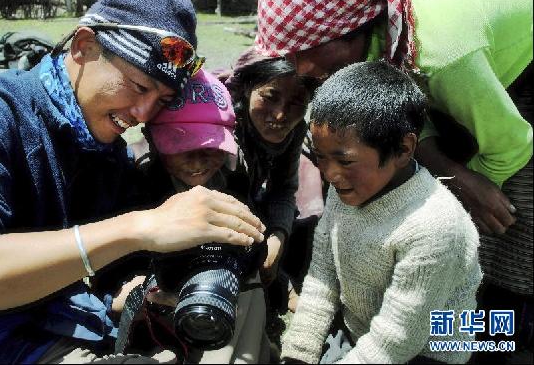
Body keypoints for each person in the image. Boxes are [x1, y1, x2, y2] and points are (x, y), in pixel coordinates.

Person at [0, 0, 265, 364]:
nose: (144, 114)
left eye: (162, 100)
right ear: (84, 46)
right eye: (140, 87)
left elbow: (108, 270)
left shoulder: (105, 152)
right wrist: (138, 228)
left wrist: (134, 290)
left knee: (245, 297)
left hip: (60, 324)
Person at [254, 0, 533, 351]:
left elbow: (514, 143)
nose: (300, 70)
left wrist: (461, 193)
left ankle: (504, 335)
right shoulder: (388, 30)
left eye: (306, 50)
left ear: (351, 26)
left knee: (505, 234)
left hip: (517, 56)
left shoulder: (443, 51)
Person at [281, 60, 482, 364]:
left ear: (403, 149)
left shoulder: (434, 229)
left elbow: (394, 342)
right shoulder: (347, 187)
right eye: (320, 157)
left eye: (345, 161)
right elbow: (323, 276)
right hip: (360, 335)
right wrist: (297, 355)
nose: (330, 174)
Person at [117, 68, 271, 363]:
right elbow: (118, 275)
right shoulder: (136, 185)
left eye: (211, 146)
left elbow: (255, 238)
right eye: (182, 146)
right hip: (157, 309)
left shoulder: (230, 177)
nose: (199, 161)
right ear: (151, 138)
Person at [222, 51, 319, 305]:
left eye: (297, 102)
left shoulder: (294, 130)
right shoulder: (222, 128)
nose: (280, 115)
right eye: (270, 97)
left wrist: (277, 236)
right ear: (246, 89)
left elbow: (284, 188)